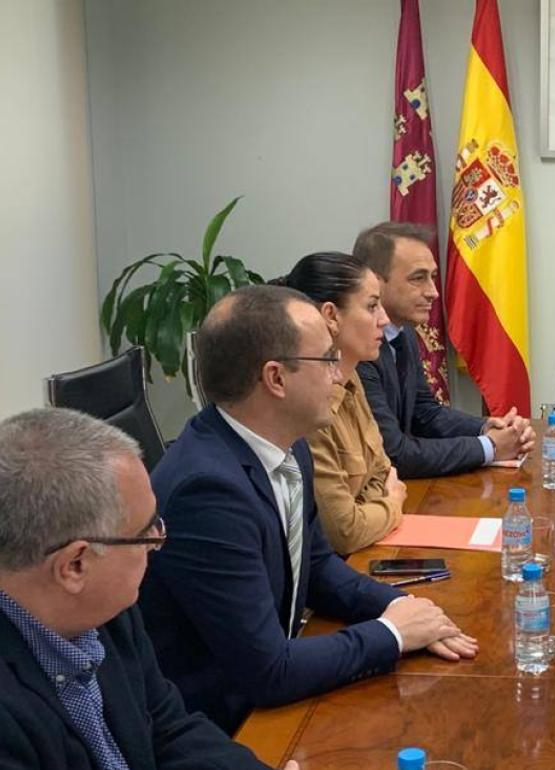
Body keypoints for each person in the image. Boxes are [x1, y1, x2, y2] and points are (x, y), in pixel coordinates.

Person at [139, 285, 477, 734]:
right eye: (327, 360)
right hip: (224, 726)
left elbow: (316, 567)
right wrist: (392, 634)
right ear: (276, 379)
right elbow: (268, 672)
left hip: (277, 690)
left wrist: (405, 606)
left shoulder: (289, 445)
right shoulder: (208, 490)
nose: (340, 376)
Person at [0, 408, 290, 769]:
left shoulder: (107, 612)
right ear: (75, 565)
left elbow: (168, 730)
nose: (159, 539)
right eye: (145, 531)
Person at [353, 222, 535, 479]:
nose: (434, 292)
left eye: (433, 277)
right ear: (374, 281)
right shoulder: (357, 348)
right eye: (418, 278)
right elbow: (392, 453)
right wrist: (491, 447)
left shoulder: (403, 332)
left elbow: (424, 412)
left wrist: (486, 427)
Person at [277, 252, 407, 554]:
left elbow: (383, 470)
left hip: (367, 552)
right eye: (372, 306)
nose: (385, 319)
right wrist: (392, 503)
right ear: (331, 316)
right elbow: (344, 531)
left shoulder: (352, 377)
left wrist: (370, 507)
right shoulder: (307, 401)